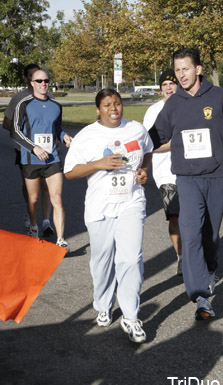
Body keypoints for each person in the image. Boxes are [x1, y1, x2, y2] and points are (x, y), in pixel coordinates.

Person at [151, 48, 223, 320]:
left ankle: (210, 268)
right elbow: (155, 135)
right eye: (177, 70)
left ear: (198, 69)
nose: (180, 75)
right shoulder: (173, 103)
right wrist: (129, 144)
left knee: (210, 235)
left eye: (185, 69)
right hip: (186, 178)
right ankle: (201, 296)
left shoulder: (219, 96)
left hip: (216, 176)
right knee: (191, 233)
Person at [64, 88, 153, 343]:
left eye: (117, 103)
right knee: (102, 261)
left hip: (131, 201)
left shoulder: (136, 129)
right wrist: (97, 165)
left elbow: (147, 151)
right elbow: (70, 172)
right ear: (98, 109)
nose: (113, 108)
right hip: (99, 207)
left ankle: (130, 316)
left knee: (131, 258)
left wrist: (143, 171)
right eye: (107, 105)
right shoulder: (88, 135)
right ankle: (103, 304)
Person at [11, 69, 72, 249]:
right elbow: (15, 131)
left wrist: (64, 135)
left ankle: (60, 240)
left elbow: (57, 128)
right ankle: (34, 226)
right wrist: (33, 147)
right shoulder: (24, 104)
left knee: (57, 199)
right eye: (39, 81)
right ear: (32, 83)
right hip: (31, 159)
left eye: (46, 81)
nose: (43, 84)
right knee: (34, 199)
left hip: (52, 158)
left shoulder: (56, 105)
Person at [3, 63, 53, 237]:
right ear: (28, 80)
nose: (41, 82)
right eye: (35, 78)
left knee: (46, 185)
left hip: (47, 150)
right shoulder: (19, 99)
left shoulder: (49, 96)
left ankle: (46, 222)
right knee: (32, 189)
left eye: (44, 79)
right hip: (24, 149)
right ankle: (30, 210)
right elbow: (7, 124)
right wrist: (25, 133)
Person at [143, 69, 182, 275]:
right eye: (165, 84)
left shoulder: (188, 106)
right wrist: (176, 143)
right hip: (166, 173)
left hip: (191, 172)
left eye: (172, 83)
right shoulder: (153, 111)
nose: (168, 87)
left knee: (194, 219)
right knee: (174, 217)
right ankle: (181, 257)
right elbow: (149, 144)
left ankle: (197, 258)